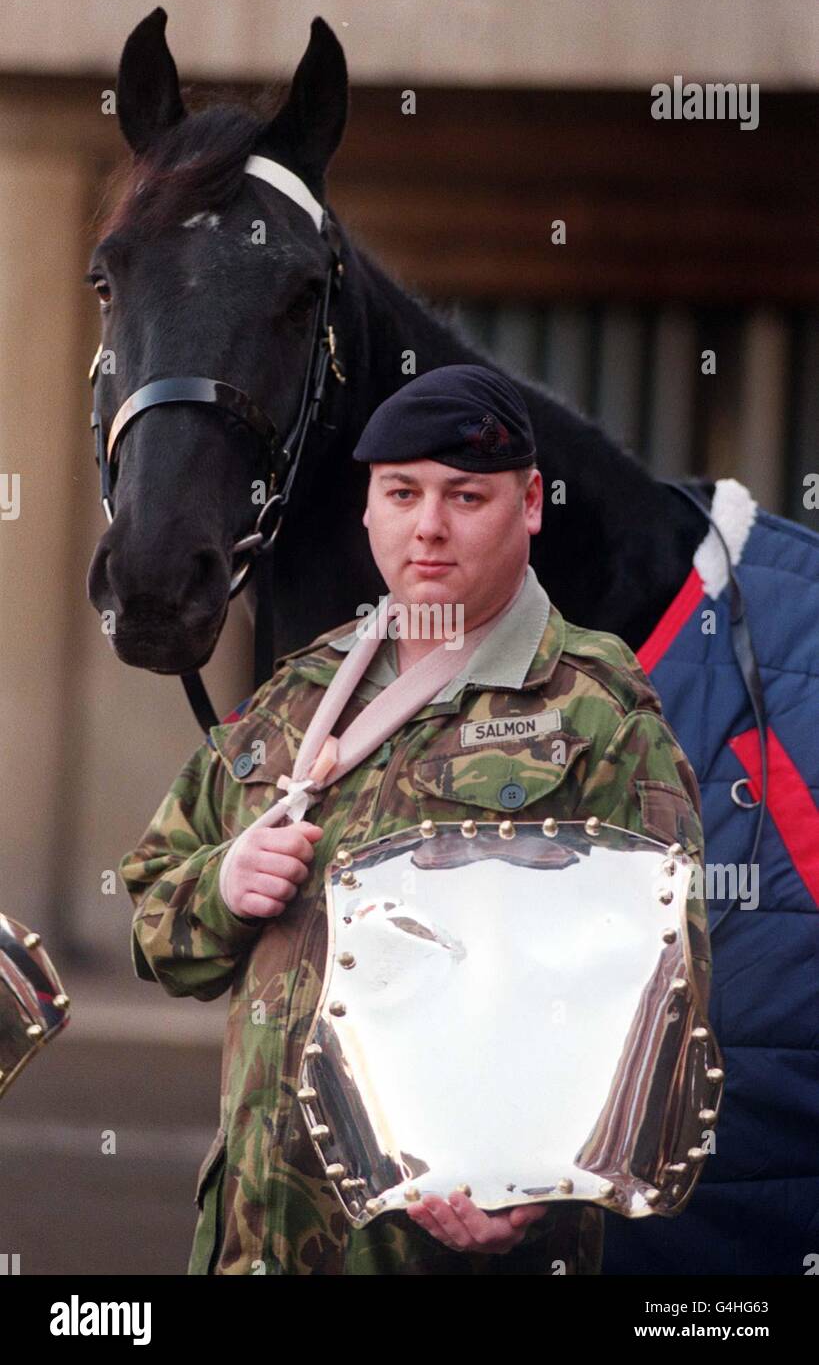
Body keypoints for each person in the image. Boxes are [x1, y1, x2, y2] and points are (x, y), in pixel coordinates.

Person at [119, 364, 708, 1276]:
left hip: (443, 1255)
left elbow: (658, 999)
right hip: (254, 1241)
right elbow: (156, 918)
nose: (428, 526)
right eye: (402, 493)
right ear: (368, 507)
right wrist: (222, 885)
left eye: (465, 495)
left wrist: (536, 1187)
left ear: (532, 505)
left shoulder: (593, 714)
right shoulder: (297, 696)